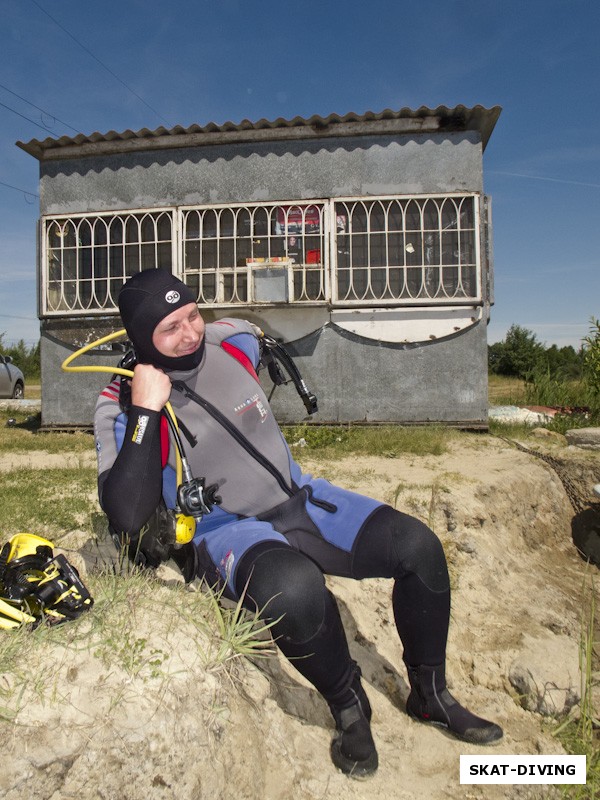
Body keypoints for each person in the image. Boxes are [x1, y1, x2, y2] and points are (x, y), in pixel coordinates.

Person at [94, 268, 503, 778]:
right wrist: (146, 410)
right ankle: (349, 703)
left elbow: (250, 336)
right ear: (139, 338)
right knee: (294, 588)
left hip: (301, 498)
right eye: (170, 327)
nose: (191, 332)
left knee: (417, 547)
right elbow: (127, 512)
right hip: (227, 529)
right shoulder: (120, 402)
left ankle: (431, 695)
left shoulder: (232, 341)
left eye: (193, 314)